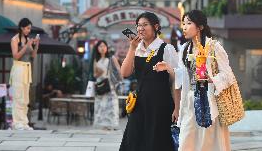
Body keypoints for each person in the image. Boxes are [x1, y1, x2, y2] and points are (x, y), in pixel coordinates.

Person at [119, 12, 180, 151]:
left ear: (156, 27)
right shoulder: (137, 49)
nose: (140, 28)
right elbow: (124, 73)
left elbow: (177, 79)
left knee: (156, 142)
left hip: (161, 105)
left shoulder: (166, 49)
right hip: (139, 104)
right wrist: (132, 48)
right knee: (133, 140)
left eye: (145, 25)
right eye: (138, 25)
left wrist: (177, 108)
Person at [173, 10, 231, 151]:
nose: (184, 27)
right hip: (189, 102)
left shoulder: (213, 46)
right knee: (186, 142)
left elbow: (228, 75)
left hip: (208, 102)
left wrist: (213, 79)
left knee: (208, 144)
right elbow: (182, 77)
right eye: (183, 24)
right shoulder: (185, 49)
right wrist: (169, 69)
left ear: (200, 27)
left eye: (189, 23)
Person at [9, 18, 39, 130]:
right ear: (22, 27)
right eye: (28, 28)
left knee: (25, 97)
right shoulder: (15, 39)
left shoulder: (27, 40)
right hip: (18, 68)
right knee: (18, 95)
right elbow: (15, 56)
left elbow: (33, 56)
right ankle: (17, 123)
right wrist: (27, 46)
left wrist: (36, 45)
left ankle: (24, 122)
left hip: (27, 68)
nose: (29, 31)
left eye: (30, 29)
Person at [93, 40, 122, 130]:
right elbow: (94, 74)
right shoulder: (96, 60)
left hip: (110, 85)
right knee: (100, 105)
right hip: (100, 85)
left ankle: (112, 124)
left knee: (111, 105)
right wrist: (99, 72)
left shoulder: (111, 58)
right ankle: (103, 125)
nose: (102, 48)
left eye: (104, 46)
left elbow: (119, 71)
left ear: (107, 48)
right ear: (97, 48)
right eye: (100, 46)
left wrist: (116, 78)